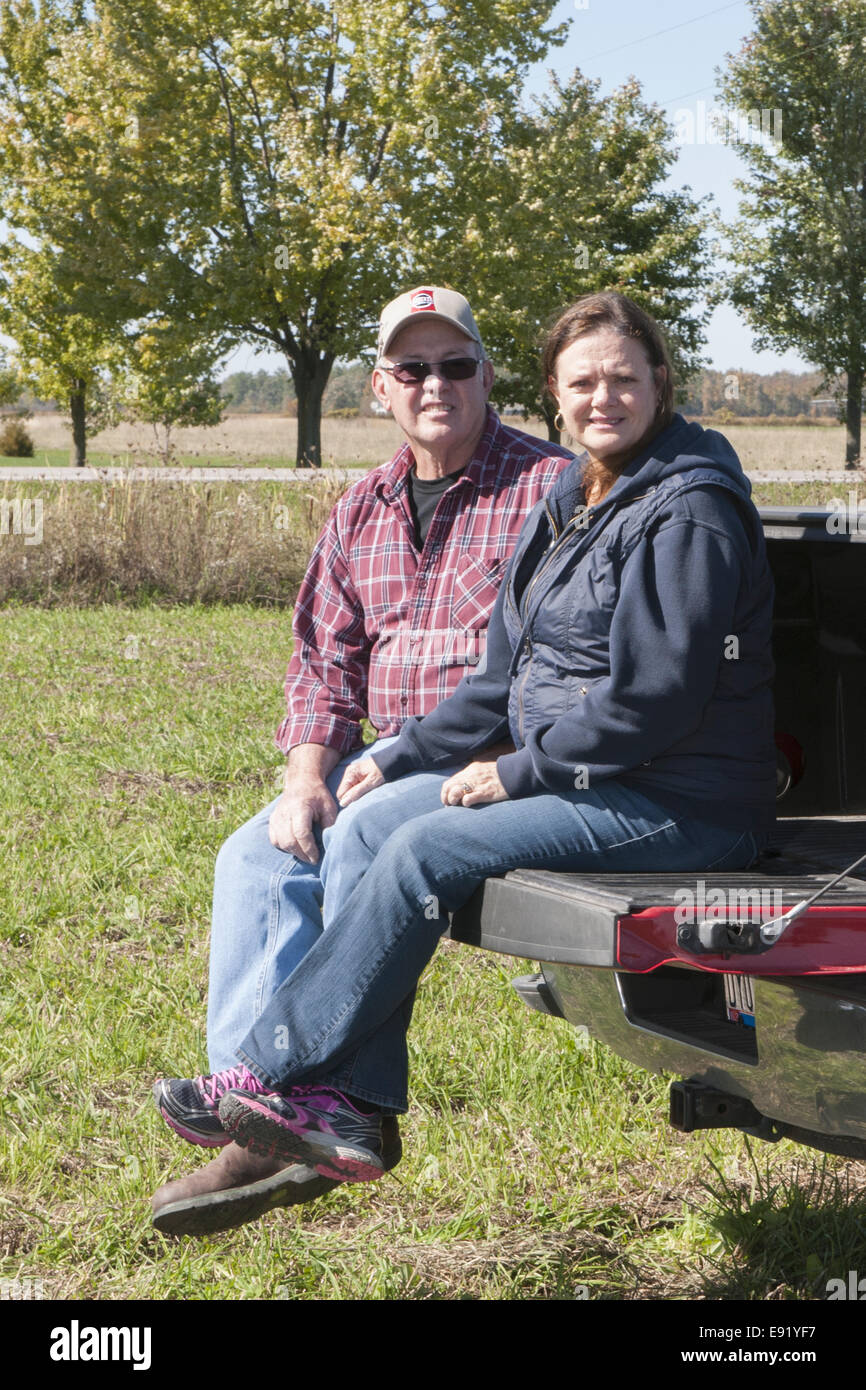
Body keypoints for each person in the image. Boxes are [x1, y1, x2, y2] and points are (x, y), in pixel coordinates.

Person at [154, 289, 776, 1219]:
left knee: (422, 849)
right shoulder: (581, 494)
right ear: (555, 393)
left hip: (681, 798)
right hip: (609, 775)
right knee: (350, 838)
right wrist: (404, 749)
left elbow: (656, 700)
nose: (602, 398)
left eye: (623, 379)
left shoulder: (684, 511)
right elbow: (500, 675)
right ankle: (341, 1111)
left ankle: (271, 1073)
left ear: (661, 384)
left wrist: (513, 771)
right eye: (582, 382)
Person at [150, 286, 573, 1233]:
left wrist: (435, 761)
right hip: (378, 755)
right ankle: (260, 1117)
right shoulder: (361, 509)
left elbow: (558, 664)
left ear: (487, 376)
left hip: (493, 758)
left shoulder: (547, 488)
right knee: (255, 855)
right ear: (380, 386)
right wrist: (305, 778)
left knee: (370, 834)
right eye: (413, 368)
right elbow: (323, 666)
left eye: (455, 364)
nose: (436, 384)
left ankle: (344, 1103)